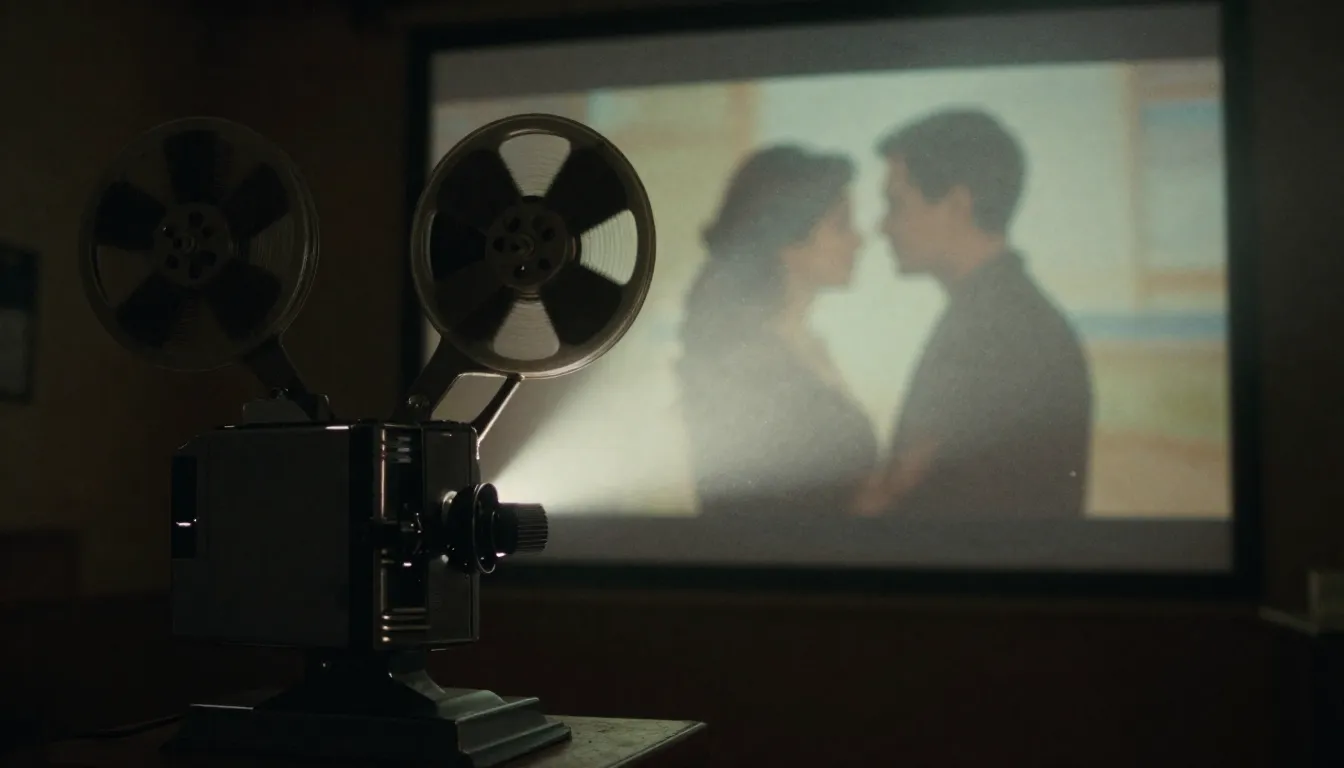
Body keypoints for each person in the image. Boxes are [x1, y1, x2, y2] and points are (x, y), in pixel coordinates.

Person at [854, 109, 1093, 519]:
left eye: (896, 204)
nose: (882, 227)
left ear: (957, 206)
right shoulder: (1004, 312)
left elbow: (916, 501)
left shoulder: (994, 329)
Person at [677, 146, 877, 521]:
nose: (859, 240)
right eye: (841, 225)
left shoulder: (805, 346)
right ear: (788, 239)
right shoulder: (747, 365)